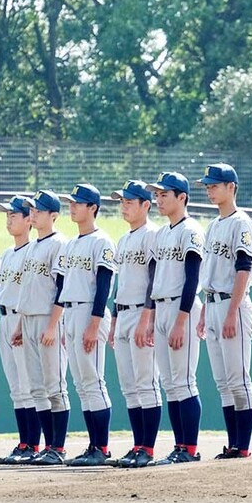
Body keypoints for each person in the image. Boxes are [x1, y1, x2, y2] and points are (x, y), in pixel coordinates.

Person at [196, 164, 252, 459]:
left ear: (231, 187)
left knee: (238, 378)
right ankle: (233, 443)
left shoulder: (241, 223)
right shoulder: (213, 225)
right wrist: (205, 311)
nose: (209, 189)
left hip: (233, 304)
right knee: (223, 381)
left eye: (215, 185)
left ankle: (242, 446)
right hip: (213, 303)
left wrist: (232, 310)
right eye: (208, 186)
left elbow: (244, 268)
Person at [54, 183, 117, 466]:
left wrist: (93, 324)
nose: (73, 206)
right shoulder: (71, 243)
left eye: (78, 203)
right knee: (81, 383)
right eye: (71, 202)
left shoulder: (102, 241)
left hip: (90, 314)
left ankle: (101, 448)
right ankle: (93, 445)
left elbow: (103, 285)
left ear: (93, 207)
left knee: (93, 381)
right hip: (71, 312)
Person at [146, 171, 205, 465]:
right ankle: (179, 445)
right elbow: (153, 277)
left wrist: (182, 321)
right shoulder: (161, 233)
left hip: (182, 309)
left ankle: (190, 448)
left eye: (164, 194)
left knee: (184, 381)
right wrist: (151, 318)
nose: (158, 199)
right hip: (161, 307)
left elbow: (192, 279)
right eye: (157, 194)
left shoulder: (191, 230)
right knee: (169, 382)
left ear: (182, 197)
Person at [108, 180, 163, 468]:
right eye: (122, 201)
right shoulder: (124, 238)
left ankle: (148, 448)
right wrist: (115, 318)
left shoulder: (151, 235)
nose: (124, 205)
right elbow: (120, 283)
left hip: (142, 313)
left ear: (146, 204)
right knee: (129, 386)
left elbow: (153, 278)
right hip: (124, 313)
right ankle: (137, 444)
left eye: (130, 201)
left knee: (145, 383)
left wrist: (147, 316)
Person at [13, 190, 71, 466]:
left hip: (50, 320)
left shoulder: (59, 244)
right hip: (29, 320)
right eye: (31, 210)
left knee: (55, 387)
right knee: (37, 388)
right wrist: (20, 325)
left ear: (53, 215)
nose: (33, 214)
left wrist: (52, 325)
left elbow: (62, 287)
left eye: (38, 210)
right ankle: (48, 446)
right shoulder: (33, 246)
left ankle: (58, 447)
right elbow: (28, 289)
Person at [0, 195, 40, 465]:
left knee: (28, 386)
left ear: (28, 219)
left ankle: (33, 443)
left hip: (23, 320)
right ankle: (25, 442)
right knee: (16, 387)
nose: (9, 219)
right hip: (5, 317)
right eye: (7, 215)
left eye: (15, 214)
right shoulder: (7, 254)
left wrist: (22, 325)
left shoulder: (33, 251)